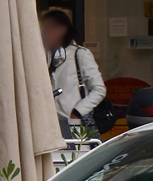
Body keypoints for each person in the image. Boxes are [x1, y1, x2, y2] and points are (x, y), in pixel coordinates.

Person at [40, 9, 107, 139]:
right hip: (50, 123)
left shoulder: (80, 54)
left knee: (73, 157)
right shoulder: (44, 57)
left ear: (61, 30)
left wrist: (77, 112)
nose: (44, 34)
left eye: (48, 29)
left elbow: (99, 89)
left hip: (74, 123)